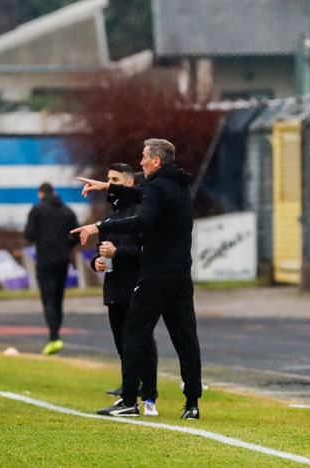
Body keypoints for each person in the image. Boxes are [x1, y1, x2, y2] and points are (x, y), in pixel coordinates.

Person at [72, 139, 203, 420]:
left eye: (144, 157)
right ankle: (192, 404)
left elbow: (142, 220)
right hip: (181, 276)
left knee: (134, 334)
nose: (141, 162)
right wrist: (108, 187)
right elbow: (145, 196)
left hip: (156, 275)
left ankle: (129, 400)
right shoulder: (179, 187)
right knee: (186, 339)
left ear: (156, 161)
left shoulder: (158, 188)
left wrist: (99, 226)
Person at [88, 163, 156, 408]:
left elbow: (146, 253)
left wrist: (119, 252)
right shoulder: (110, 215)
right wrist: (96, 261)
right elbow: (100, 250)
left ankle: (149, 394)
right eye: (108, 178)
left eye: (114, 179)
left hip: (136, 287)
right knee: (122, 344)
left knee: (142, 343)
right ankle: (131, 385)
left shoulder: (141, 214)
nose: (109, 183)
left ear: (129, 184)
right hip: (114, 289)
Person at [23, 182, 79, 355]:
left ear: (41, 194)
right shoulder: (67, 211)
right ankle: (56, 334)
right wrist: (66, 246)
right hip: (62, 259)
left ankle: (54, 337)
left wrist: (42, 236)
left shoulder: (37, 210)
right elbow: (78, 234)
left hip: (45, 259)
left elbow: (29, 234)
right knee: (58, 298)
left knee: (48, 299)